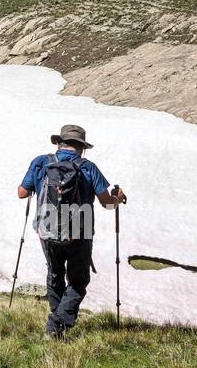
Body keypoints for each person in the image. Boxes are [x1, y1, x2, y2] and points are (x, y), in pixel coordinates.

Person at [18, 124, 126, 339]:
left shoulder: (41, 162)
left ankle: (56, 322)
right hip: (81, 230)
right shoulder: (88, 167)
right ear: (82, 148)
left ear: (59, 143)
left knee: (55, 274)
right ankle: (57, 325)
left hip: (46, 229)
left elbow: (22, 193)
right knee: (78, 281)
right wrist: (119, 198)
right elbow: (107, 204)